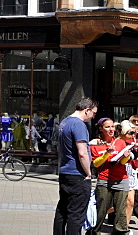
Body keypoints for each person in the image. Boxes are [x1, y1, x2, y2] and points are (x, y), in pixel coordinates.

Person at [53, 97, 98, 235]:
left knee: (63, 209)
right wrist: (88, 173)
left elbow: (70, 146)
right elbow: (82, 153)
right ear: (87, 110)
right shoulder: (79, 124)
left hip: (65, 171)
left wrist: (89, 143)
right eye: (94, 113)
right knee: (76, 214)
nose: (93, 116)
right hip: (77, 174)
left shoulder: (64, 122)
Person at [89, 119, 137, 235]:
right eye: (107, 127)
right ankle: (95, 231)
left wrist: (125, 156)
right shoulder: (95, 144)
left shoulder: (119, 142)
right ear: (101, 128)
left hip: (121, 179)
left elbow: (122, 162)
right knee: (101, 210)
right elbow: (96, 164)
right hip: (104, 180)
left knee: (120, 210)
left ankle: (120, 232)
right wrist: (107, 153)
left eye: (112, 127)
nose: (111, 129)